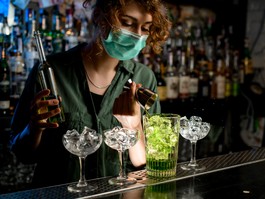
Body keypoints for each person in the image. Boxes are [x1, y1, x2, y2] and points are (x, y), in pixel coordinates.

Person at [9, 0, 171, 188]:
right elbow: (24, 155)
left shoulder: (144, 77)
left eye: (145, 28)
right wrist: (34, 127)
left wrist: (134, 127)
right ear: (100, 18)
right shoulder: (51, 72)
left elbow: (147, 164)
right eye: (127, 23)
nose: (137, 34)